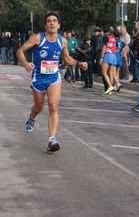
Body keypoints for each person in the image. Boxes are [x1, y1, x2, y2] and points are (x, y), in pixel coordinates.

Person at [16, 12, 88, 152]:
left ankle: (52, 139)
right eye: (49, 21)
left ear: (59, 25)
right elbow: (20, 51)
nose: (52, 23)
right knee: (38, 107)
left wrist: (79, 63)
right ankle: (33, 116)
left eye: (54, 21)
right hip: (39, 77)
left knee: (53, 106)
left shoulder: (63, 41)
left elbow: (66, 59)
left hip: (54, 77)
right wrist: (25, 63)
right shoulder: (37, 38)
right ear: (45, 25)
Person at [100, 25, 117, 95]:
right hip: (113, 55)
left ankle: (109, 86)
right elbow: (116, 47)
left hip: (107, 55)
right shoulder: (113, 37)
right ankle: (110, 88)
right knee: (111, 73)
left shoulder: (105, 37)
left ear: (103, 31)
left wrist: (101, 57)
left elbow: (104, 46)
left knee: (104, 72)